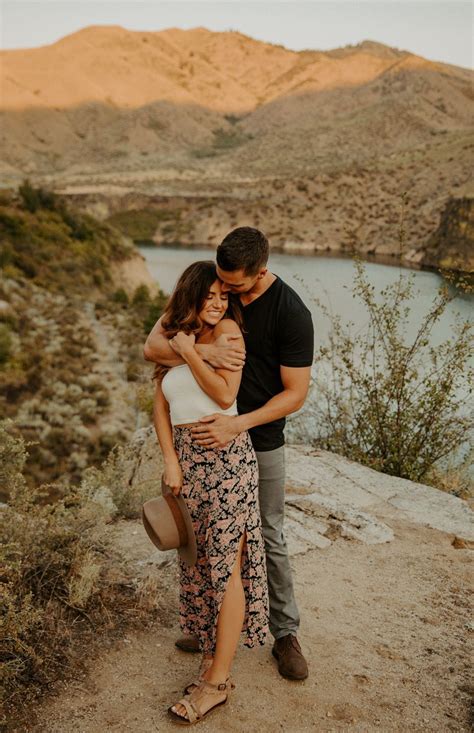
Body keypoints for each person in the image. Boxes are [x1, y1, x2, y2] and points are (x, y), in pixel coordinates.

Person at [144, 227, 314, 682]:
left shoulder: (290, 312)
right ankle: (208, 626)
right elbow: (152, 347)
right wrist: (201, 348)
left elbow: (295, 394)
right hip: (204, 442)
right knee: (203, 541)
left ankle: (284, 633)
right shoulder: (211, 292)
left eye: (232, 286)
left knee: (268, 536)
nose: (224, 293)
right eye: (218, 284)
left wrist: (237, 423)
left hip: (256, 436)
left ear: (259, 272)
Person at [151, 260, 269, 725]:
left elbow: (224, 396)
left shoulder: (230, 337)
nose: (219, 304)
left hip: (226, 464)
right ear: (191, 297)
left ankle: (217, 684)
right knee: (199, 565)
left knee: (228, 570)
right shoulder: (173, 334)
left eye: (225, 297)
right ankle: (211, 655)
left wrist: (196, 354)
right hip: (188, 463)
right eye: (211, 297)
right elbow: (160, 404)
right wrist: (170, 459)